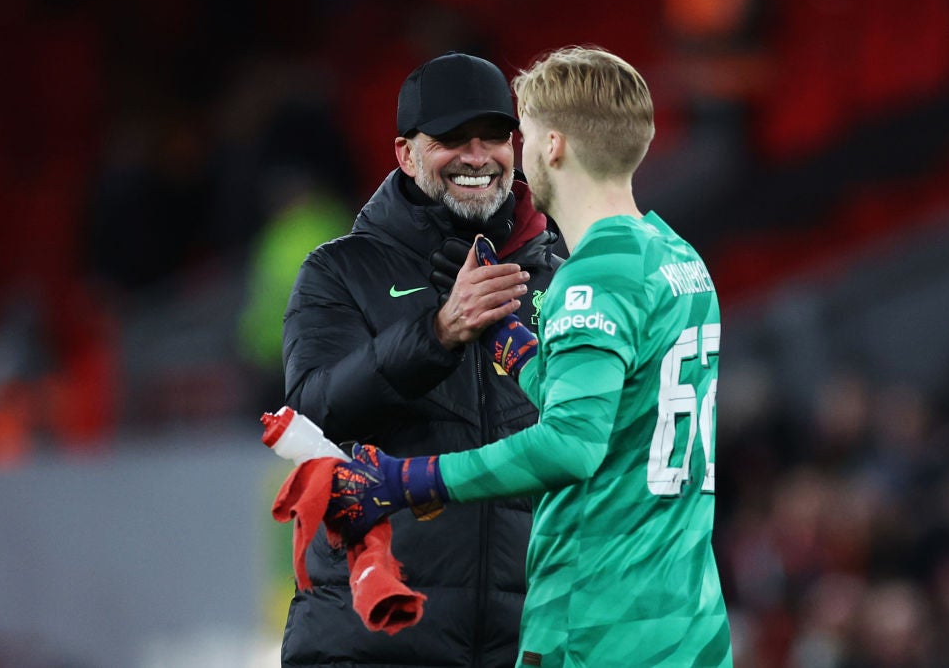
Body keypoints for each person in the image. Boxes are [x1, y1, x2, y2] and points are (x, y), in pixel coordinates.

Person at [327, 46, 734, 667]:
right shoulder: (677, 258)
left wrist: (405, 481)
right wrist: (508, 342)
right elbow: (614, 407)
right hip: (687, 620)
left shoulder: (592, 274)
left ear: (554, 146)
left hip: (597, 623)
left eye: (525, 132)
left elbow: (570, 444)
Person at [279, 51, 565, 667]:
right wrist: (436, 334)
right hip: (373, 640)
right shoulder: (342, 272)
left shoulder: (562, 281)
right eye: (451, 139)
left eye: (494, 136)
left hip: (526, 646)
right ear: (406, 154)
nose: (477, 155)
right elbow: (312, 414)